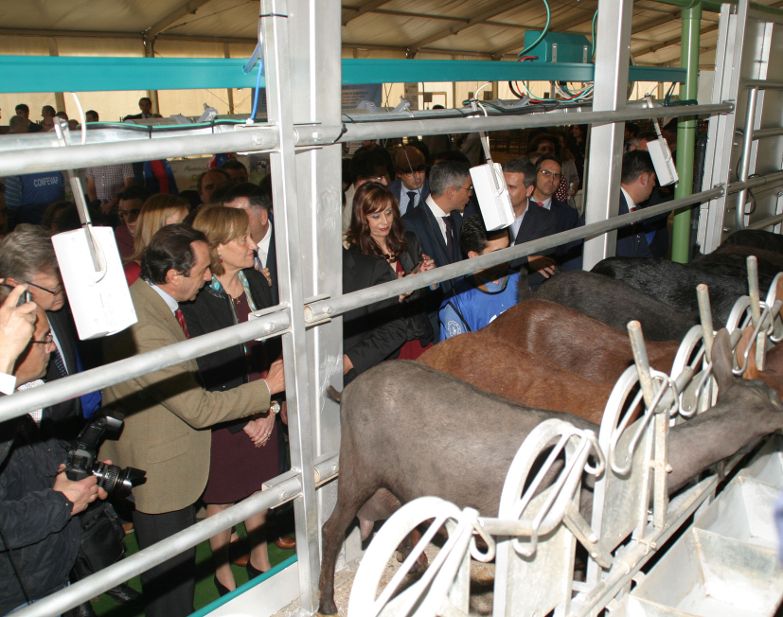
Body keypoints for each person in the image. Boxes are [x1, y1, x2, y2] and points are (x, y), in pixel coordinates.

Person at [99, 224, 285, 617]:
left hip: (168, 462)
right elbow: (197, 408)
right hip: (161, 473)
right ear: (173, 275)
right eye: (202, 270)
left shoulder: (150, 302)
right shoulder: (147, 326)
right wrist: (267, 389)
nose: (208, 276)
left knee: (177, 575)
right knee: (171, 588)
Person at [181, 206, 281, 595]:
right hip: (223, 412)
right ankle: (223, 575)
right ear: (218, 248)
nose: (252, 244)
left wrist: (270, 408)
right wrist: (244, 418)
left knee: (260, 490)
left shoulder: (258, 281)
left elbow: (278, 347)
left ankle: (260, 559)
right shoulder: (200, 300)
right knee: (221, 499)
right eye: (241, 238)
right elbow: (206, 369)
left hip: (265, 399)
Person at [0, 284, 108, 615]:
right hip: (16, 594)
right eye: (45, 339)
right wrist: (62, 502)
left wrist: (75, 468)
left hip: (51, 571)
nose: (52, 348)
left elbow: (34, 456)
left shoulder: (28, 391)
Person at [343, 182, 435, 382]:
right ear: (362, 218)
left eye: (388, 213)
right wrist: (397, 294)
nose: (384, 221)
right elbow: (362, 312)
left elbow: (425, 297)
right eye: (375, 216)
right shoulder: (358, 259)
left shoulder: (408, 241)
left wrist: (426, 276)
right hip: (385, 349)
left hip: (417, 337)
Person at [439, 215, 521, 339]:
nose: (507, 257)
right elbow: (458, 356)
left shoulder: (518, 279)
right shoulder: (458, 304)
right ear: (474, 256)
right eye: (498, 253)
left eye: (508, 248)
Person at [402, 159, 470, 282]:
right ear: (451, 192)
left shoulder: (457, 218)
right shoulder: (410, 224)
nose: (470, 194)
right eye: (468, 188)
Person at [503, 158, 558, 289]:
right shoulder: (487, 215)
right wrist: (526, 259)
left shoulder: (546, 220)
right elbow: (483, 258)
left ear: (529, 190)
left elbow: (542, 268)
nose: (504, 192)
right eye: (502, 186)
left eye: (511, 187)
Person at [223, 182, 278, 304]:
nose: (232, 223)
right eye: (227, 217)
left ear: (263, 216)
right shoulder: (225, 251)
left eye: (239, 215)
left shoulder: (290, 245)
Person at [124, 194, 189, 284]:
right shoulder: (133, 273)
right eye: (177, 229)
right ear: (155, 229)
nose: (188, 234)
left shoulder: (182, 264)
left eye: (188, 226)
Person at [617, 150, 662, 258]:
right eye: (654, 179)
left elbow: (643, 254)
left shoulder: (632, 208)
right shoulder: (615, 210)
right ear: (644, 179)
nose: (654, 184)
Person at [389, 145, 430, 216]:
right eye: (410, 173)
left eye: (421, 171)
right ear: (399, 173)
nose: (417, 177)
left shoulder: (433, 190)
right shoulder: (389, 191)